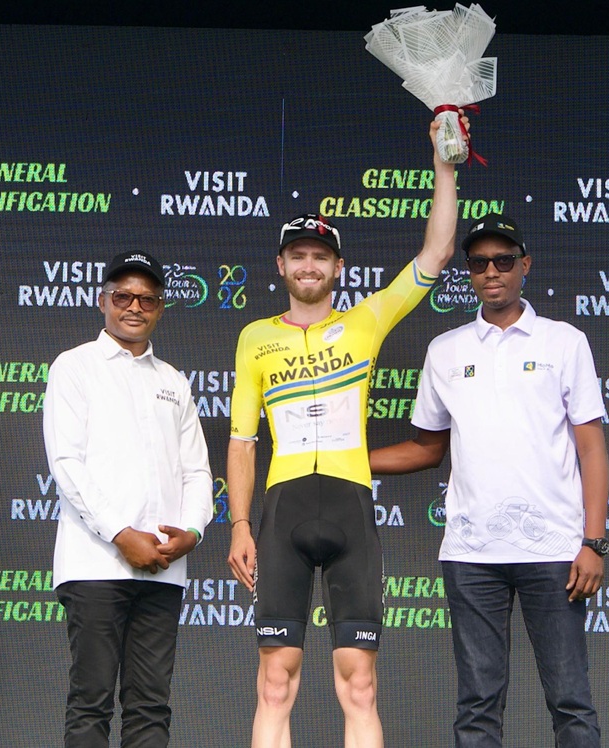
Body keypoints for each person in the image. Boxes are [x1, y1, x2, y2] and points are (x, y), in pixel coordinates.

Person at [227, 118, 467, 748]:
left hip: (349, 506)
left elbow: (436, 254)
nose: (309, 265)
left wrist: (443, 163)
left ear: (338, 266)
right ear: (281, 265)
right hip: (281, 510)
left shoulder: (367, 320)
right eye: (298, 255)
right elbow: (242, 443)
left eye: (320, 256)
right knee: (273, 684)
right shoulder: (254, 338)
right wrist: (241, 525)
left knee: (359, 685)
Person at [369, 213, 609, 747]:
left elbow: (591, 448)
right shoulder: (445, 350)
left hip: (555, 550)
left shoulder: (564, 341)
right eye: (479, 264)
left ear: (525, 265)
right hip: (471, 553)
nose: (491, 272)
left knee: (571, 701)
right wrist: (347, 461)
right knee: (477, 706)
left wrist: (593, 542)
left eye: (503, 260)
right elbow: (426, 449)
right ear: (469, 274)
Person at [43, 251, 213, 748]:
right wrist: (121, 533)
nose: (134, 307)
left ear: (160, 307)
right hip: (95, 564)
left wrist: (193, 531)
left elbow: (197, 470)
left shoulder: (173, 380)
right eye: (123, 296)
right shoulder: (74, 367)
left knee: (151, 708)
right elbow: (66, 464)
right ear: (103, 302)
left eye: (147, 299)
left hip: (163, 567)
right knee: (91, 703)